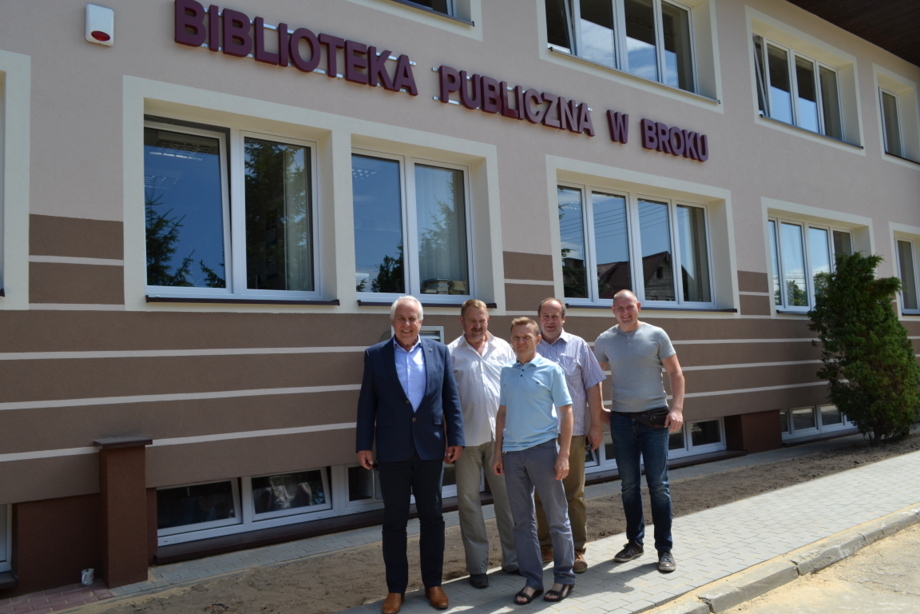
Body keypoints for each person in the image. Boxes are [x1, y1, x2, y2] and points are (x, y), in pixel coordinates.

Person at [355, 296, 465, 614]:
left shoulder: (439, 352)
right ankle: (395, 590)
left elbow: (451, 398)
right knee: (394, 522)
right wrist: (363, 444)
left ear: (421, 322)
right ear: (393, 322)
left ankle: (433, 584)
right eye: (401, 318)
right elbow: (367, 404)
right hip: (392, 451)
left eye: (412, 318)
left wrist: (456, 437)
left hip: (431, 447)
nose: (407, 324)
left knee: (433, 519)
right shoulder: (375, 355)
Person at [593, 289, 685, 574]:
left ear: (638, 307)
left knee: (659, 485)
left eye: (629, 307)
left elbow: (676, 373)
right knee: (629, 485)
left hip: (655, 420)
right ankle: (635, 543)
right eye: (619, 308)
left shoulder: (656, 335)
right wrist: (599, 411)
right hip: (621, 421)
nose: (625, 312)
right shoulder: (605, 340)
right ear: (613, 311)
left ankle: (664, 549)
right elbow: (594, 378)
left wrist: (677, 409)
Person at [492, 318, 576, 605]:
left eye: (526, 337)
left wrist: (564, 454)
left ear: (538, 340)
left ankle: (564, 577)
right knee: (522, 522)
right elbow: (502, 413)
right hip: (513, 454)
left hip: (543, 451)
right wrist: (498, 452)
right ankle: (533, 581)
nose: (520, 342)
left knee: (556, 518)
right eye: (516, 337)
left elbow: (566, 412)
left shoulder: (551, 370)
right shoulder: (506, 371)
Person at [447, 299, 517, 589]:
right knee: (468, 504)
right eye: (472, 320)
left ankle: (514, 560)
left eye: (482, 320)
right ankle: (477, 567)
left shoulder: (504, 348)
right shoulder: (451, 352)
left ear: (488, 320)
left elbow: (515, 388)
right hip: (465, 442)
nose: (477, 326)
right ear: (462, 322)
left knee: (509, 500)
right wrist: (450, 438)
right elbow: (445, 399)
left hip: (502, 440)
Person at [533, 298, 605, 573]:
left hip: (573, 432)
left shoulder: (579, 346)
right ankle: (547, 546)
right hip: (538, 434)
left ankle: (577, 550)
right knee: (542, 493)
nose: (550, 321)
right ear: (539, 318)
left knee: (574, 493)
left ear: (564, 318)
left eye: (555, 316)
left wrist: (595, 426)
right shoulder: (530, 346)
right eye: (545, 315)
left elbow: (593, 386)